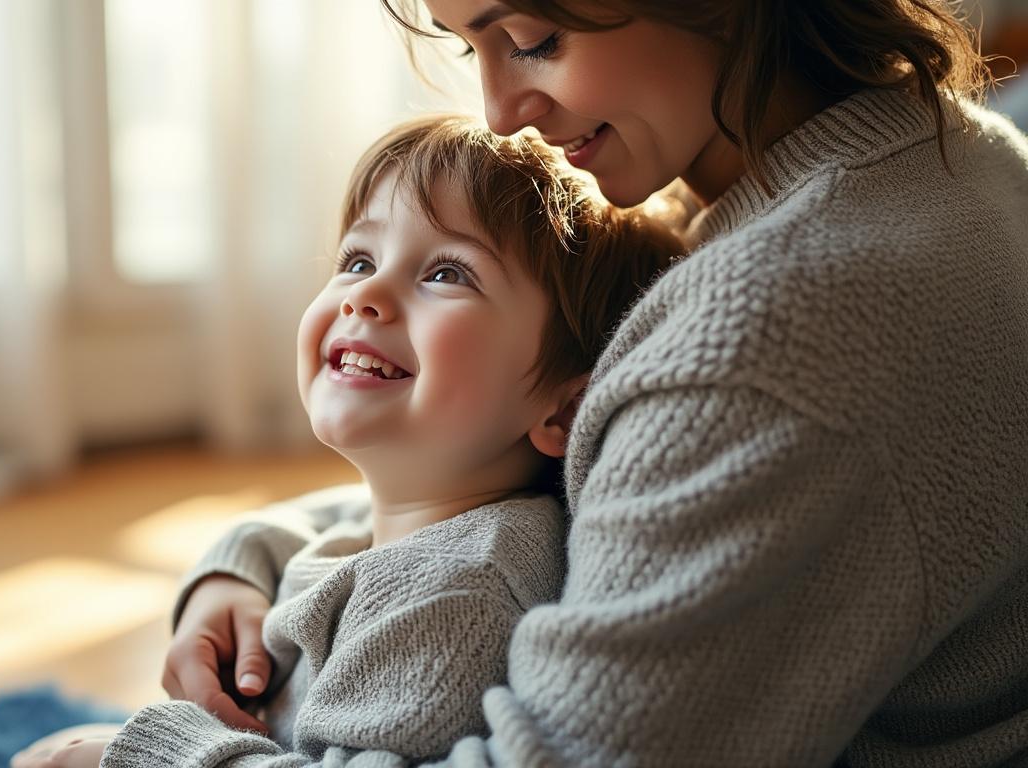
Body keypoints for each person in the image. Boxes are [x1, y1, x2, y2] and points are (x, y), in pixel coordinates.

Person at [163, 1, 1028, 766]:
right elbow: (483, 491)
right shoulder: (965, 149)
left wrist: (157, 757)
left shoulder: (765, 337)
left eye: (534, 38)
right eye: (473, 49)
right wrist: (249, 562)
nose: (501, 116)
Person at [9, 114, 683, 767]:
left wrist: (158, 756)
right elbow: (319, 518)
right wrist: (228, 576)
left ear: (565, 412)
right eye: (358, 258)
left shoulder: (451, 597)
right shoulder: (428, 510)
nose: (367, 295)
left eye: (446, 273)